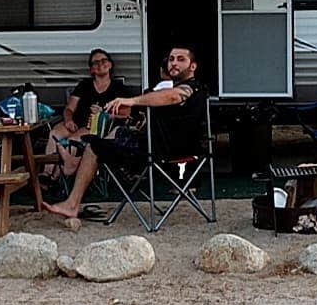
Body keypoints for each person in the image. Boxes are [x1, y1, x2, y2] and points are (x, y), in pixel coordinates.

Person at [43, 45, 206, 220]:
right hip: (158, 146)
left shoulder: (192, 88)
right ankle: (74, 163)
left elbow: (174, 96)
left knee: (95, 146)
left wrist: (132, 100)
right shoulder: (167, 90)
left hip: (164, 152)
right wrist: (115, 110)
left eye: (181, 59)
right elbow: (136, 114)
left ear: (193, 66)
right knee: (115, 132)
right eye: (171, 59)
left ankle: (72, 203)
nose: (174, 63)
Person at [48, 48, 134, 181]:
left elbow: (126, 114)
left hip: (97, 126)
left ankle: (55, 178)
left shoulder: (118, 88)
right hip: (76, 122)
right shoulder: (84, 85)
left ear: (110, 65)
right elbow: (69, 108)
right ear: (91, 70)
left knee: (73, 140)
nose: (100, 64)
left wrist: (104, 113)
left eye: (104, 60)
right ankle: (46, 173)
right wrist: (69, 120)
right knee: (54, 133)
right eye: (95, 63)